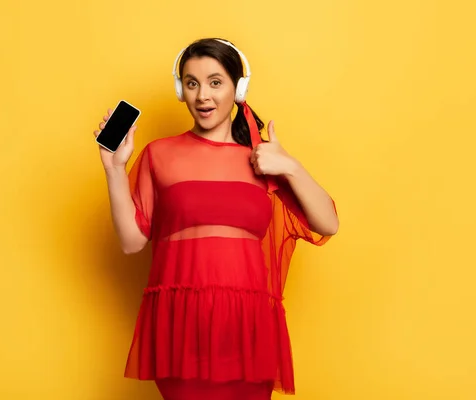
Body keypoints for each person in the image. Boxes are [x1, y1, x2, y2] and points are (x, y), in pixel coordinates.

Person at [93, 38, 339, 400]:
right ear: (181, 90)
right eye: (191, 83)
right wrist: (115, 170)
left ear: (238, 88)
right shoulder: (159, 154)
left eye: (215, 82)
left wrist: (289, 166)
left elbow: (328, 223)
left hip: (247, 330)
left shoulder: (262, 159)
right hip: (181, 330)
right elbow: (132, 242)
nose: (202, 96)